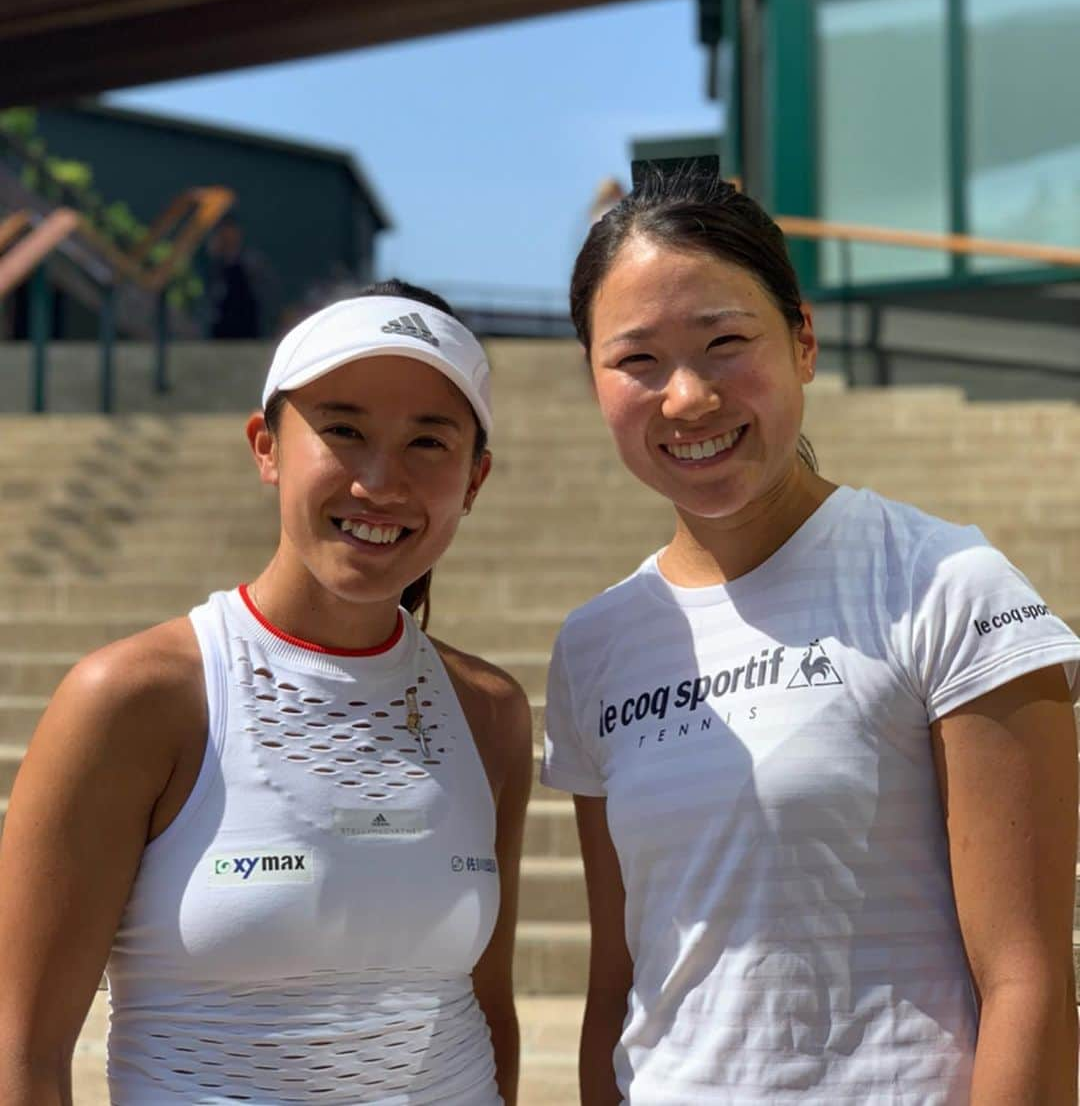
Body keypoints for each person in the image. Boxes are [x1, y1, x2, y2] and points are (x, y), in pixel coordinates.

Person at [541, 161, 1080, 1105]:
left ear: (804, 343)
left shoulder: (948, 586)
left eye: (724, 342)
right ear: (593, 378)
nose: (687, 398)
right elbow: (618, 985)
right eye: (637, 360)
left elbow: (1028, 980)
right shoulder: (597, 644)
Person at [0, 280, 533, 1105]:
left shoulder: (488, 711)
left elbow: (487, 1011)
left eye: (429, 443)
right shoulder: (135, 699)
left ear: (475, 478)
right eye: (344, 430)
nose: (380, 481)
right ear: (266, 446)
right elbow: (23, 1060)